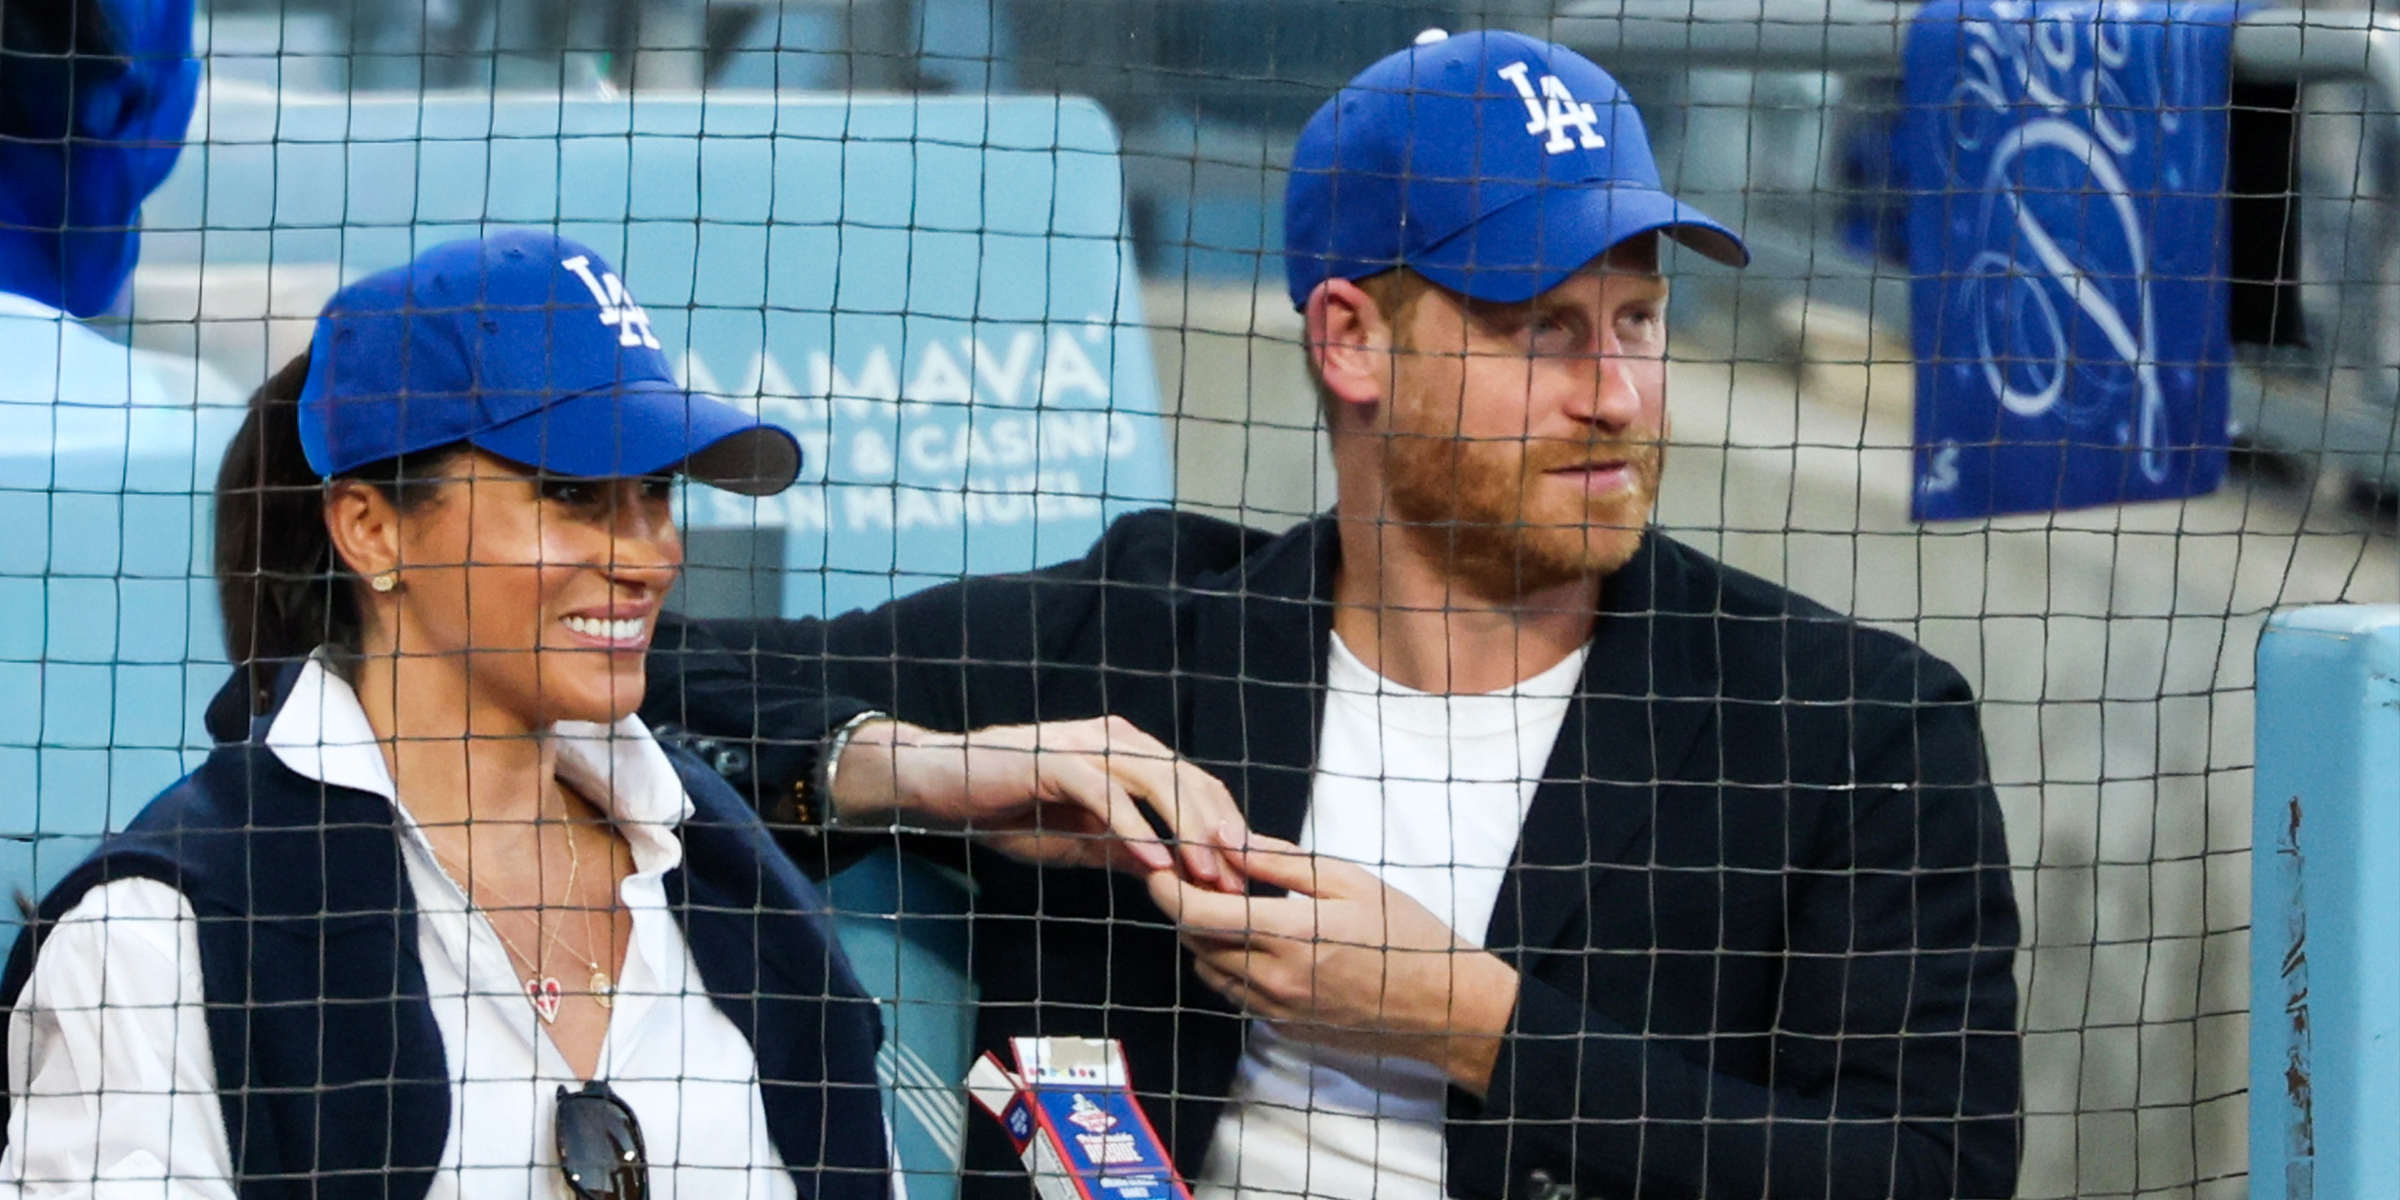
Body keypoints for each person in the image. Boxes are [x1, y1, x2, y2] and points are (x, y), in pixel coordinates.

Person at [645, 29, 2022, 1200]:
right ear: (1352, 338)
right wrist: (911, 769)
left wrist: (1474, 1024)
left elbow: (1932, 1171)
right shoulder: (1144, 635)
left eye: (1639, 322)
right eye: (1543, 328)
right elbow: (630, 670)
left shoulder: (1847, 724)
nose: (1616, 395)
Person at [0, 230, 891, 1200]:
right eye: (570, 493)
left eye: (655, 490)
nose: (648, 554)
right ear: (372, 530)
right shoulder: (160, 933)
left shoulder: (736, 886)